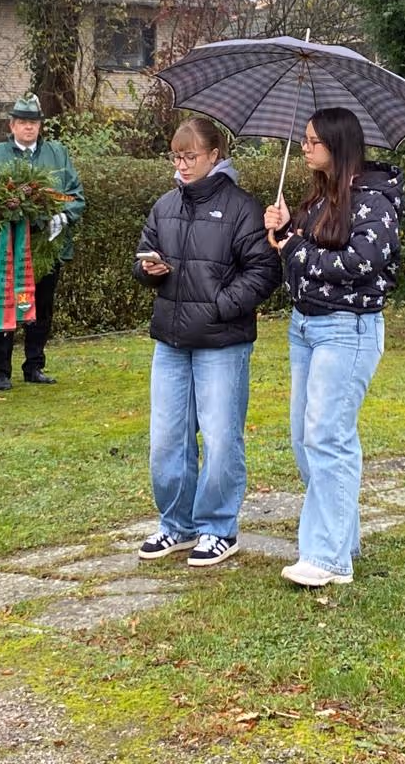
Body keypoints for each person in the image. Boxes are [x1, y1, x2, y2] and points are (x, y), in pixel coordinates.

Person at [264, 107, 403, 588]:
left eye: (313, 141)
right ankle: (343, 539)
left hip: (348, 329)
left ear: (337, 146)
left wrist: (295, 247)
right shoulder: (319, 199)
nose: (304, 148)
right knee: (305, 440)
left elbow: (362, 262)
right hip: (305, 326)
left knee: (328, 437)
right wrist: (286, 229)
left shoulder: (375, 203)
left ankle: (326, 558)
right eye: (303, 140)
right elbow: (303, 256)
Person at [132, 117, 281, 567]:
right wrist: (148, 270)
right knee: (167, 439)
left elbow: (265, 270)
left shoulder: (241, 207)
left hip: (222, 341)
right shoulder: (165, 205)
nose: (181, 165)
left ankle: (218, 528)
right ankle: (176, 525)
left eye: (190, 156)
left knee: (220, 437)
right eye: (176, 156)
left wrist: (220, 305)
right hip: (171, 341)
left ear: (215, 155)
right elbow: (142, 257)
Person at [0, 94, 85, 387]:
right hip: (7, 245)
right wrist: (2, 208)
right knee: (5, 305)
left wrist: (63, 216)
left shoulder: (57, 154)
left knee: (42, 308)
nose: (28, 127)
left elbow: (76, 195)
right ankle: (1, 371)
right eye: (23, 122)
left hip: (46, 243)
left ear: (40, 125)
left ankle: (34, 366)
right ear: (11, 125)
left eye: (34, 122)